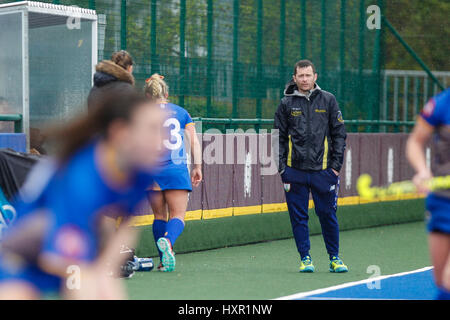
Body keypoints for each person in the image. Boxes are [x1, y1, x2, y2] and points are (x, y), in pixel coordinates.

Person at [0, 82, 164, 299]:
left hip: (72, 243)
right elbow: (64, 264)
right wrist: (90, 276)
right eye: (152, 130)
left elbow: (126, 226)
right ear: (120, 133)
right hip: (21, 254)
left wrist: (106, 270)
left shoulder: (139, 172)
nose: (162, 142)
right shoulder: (81, 180)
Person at [274, 59, 348, 273]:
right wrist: (282, 168)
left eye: (308, 75)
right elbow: (277, 137)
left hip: (324, 172)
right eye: (301, 76)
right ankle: (305, 258)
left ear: (315, 77)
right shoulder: (285, 103)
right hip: (293, 172)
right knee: (298, 217)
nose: (305, 79)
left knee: (327, 214)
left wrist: (335, 168)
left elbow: (339, 134)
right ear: (294, 77)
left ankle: (335, 258)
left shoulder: (328, 100)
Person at [143, 74, 202, 272]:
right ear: (166, 94)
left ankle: (162, 262)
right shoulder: (181, 112)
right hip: (175, 169)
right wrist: (197, 166)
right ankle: (168, 242)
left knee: (159, 215)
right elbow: (193, 142)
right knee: (178, 215)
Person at [406, 88, 450, 300]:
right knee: (441, 282)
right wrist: (423, 171)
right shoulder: (442, 103)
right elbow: (415, 141)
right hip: (442, 202)